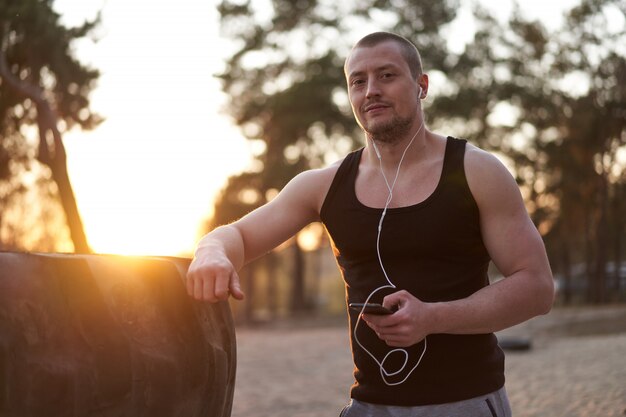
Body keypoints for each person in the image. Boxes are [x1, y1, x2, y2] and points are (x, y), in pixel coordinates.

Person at [186, 31, 555, 416]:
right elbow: (238, 235)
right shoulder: (325, 185)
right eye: (358, 82)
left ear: (421, 85)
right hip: (369, 407)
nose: (371, 91)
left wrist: (433, 318)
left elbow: (537, 287)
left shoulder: (476, 171)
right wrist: (212, 252)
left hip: (464, 403)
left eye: (387, 75)